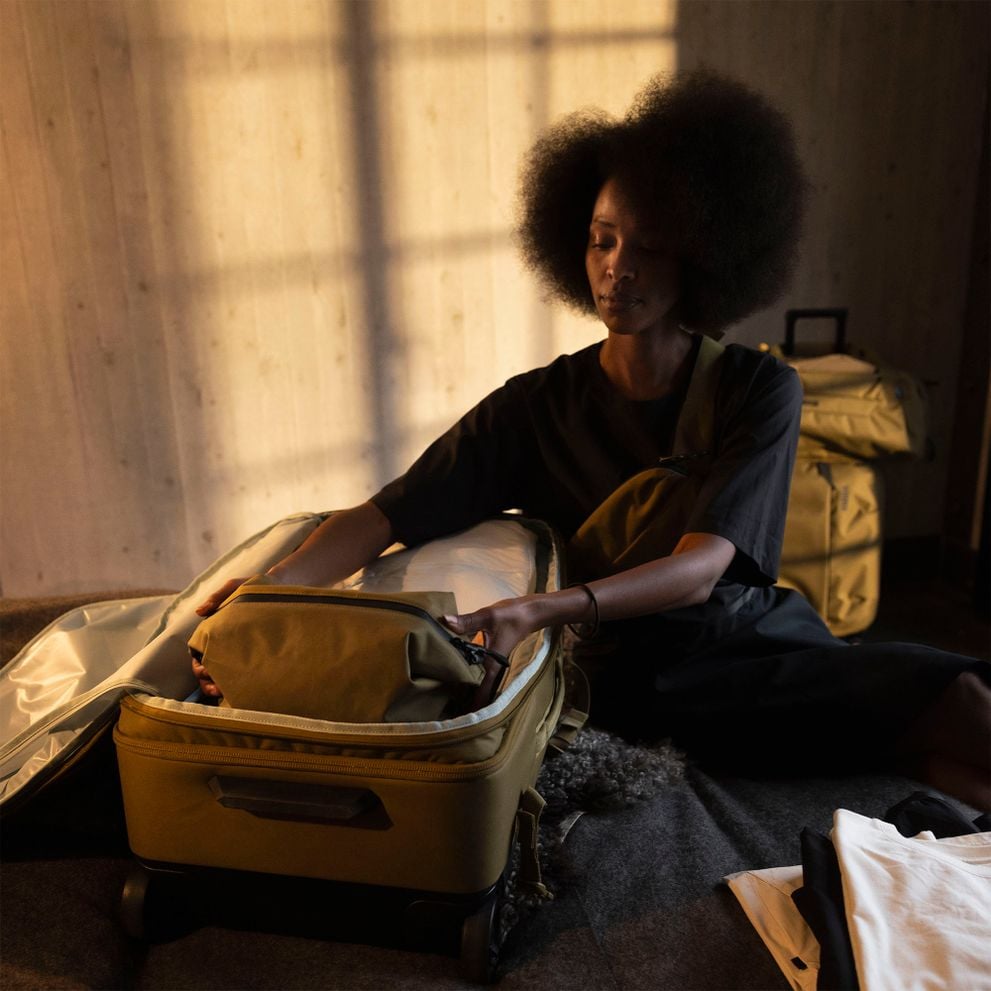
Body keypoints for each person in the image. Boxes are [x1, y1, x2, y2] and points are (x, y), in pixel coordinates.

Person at [194, 71, 990, 809]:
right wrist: (270, 588)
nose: (617, 269)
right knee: (941, 715)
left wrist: (541, 607)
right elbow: (388, 513)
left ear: (702, 256)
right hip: (636, 677)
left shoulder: (757, 388)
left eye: (647, 247)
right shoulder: (533, 406)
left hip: (752, 637)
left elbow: (700, 567)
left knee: (951, 715)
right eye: (602, 240)